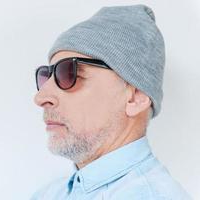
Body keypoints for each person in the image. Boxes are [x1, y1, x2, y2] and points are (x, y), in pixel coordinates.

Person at [32, 4, 192, 200]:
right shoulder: (49, 194)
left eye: (68, 73)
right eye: (46, 75)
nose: (40, 98)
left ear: (135, 97)